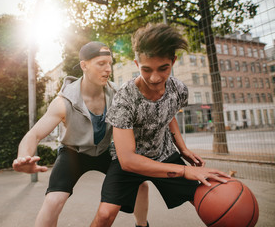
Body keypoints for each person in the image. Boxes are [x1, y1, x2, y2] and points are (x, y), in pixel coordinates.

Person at [90, 23, 231, 227]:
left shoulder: (178, 90)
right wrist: (184, 171)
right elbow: (128, 160)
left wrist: (182, 148)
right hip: (129, 159)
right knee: (104, 215)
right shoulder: (124, 98)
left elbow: (169, 114)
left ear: (173, 61)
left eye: (163, 68)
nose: (155, 78)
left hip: (164, 153)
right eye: (146, 69)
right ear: (137, 64)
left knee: (211, 201)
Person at [12, 41, 149, 227]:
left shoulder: (117, 95)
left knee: (141, 185)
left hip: (105, 151)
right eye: (101, 64)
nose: (108, 69)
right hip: (73, 153)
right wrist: (23, 157)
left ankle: (142, 225)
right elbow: (34, 134)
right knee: (53, 201)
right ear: (84, 65)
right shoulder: (64, 102)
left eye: (110, 63)